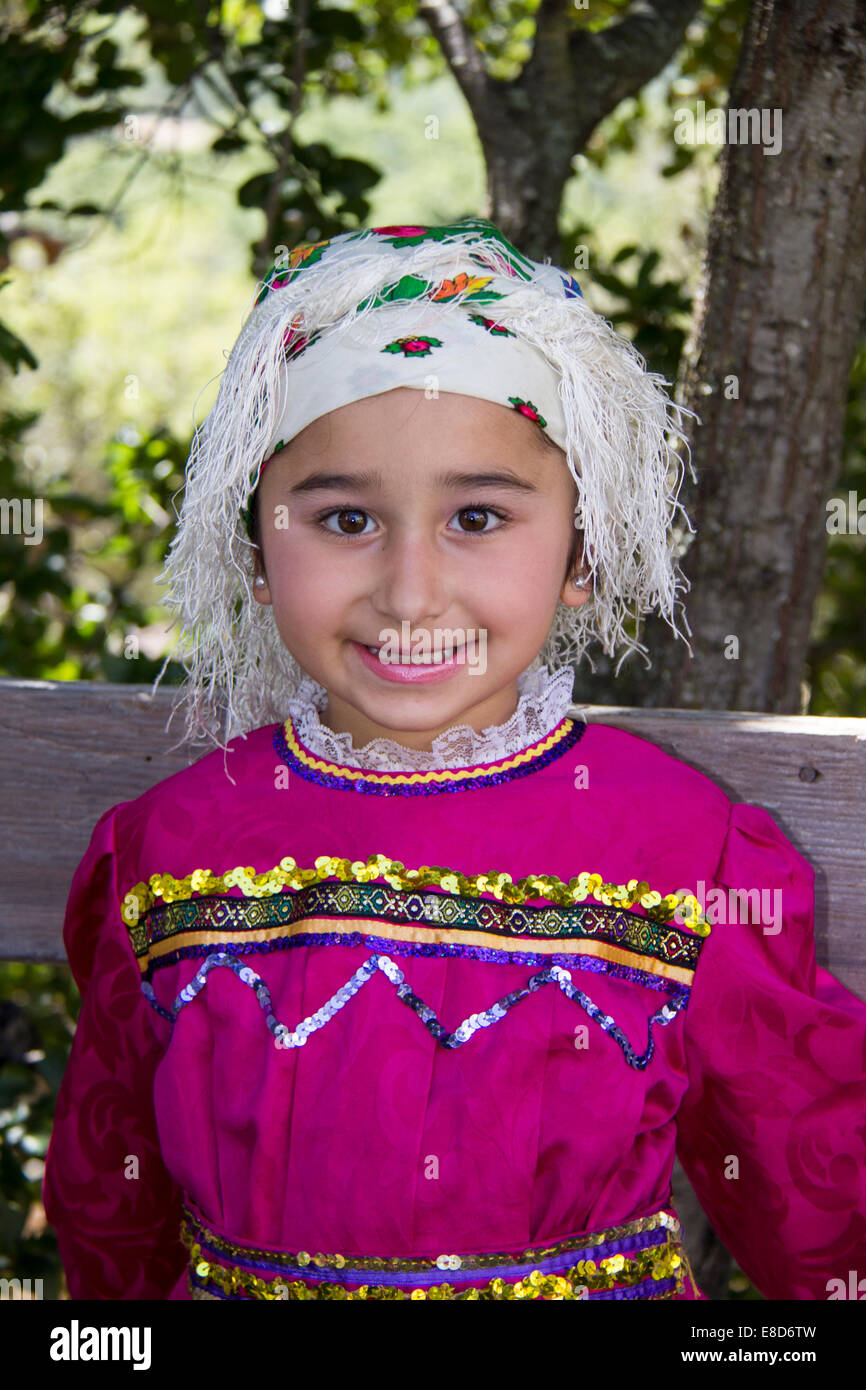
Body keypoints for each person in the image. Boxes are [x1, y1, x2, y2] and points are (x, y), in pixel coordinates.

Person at [42, 218, 866, 1301]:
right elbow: (113, 1205)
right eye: (344, 519)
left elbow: (818, 1202)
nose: (410, 591)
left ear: (582, 552)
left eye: (476, 516)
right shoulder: (171, 853)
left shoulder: (684, 853)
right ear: (254, 551)